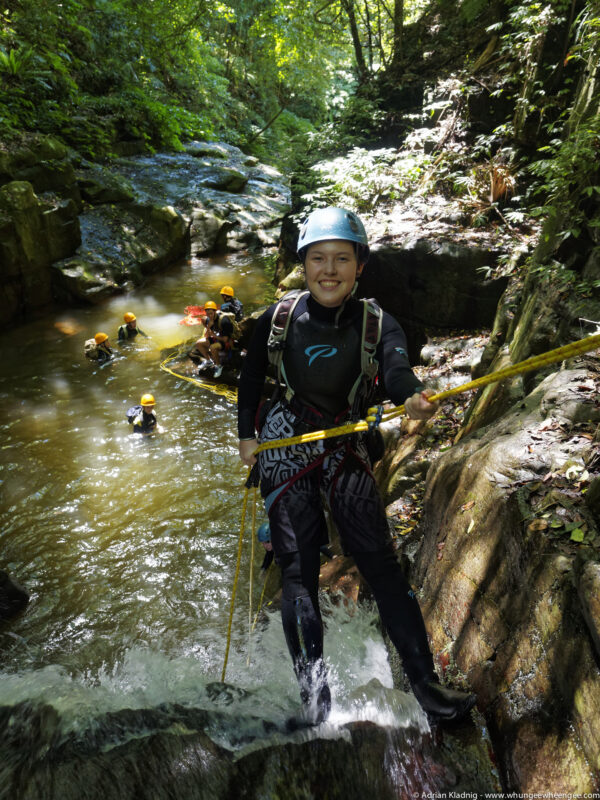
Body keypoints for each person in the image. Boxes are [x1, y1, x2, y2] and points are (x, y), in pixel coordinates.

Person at [237, 206, 476, 725]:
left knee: (379, 564)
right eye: (318, 259)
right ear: (303, 264)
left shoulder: (377, 323)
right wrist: (246, 439)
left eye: (341, 259)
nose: (329, 270)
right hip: (285, 443)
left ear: (359, 266)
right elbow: (251, 378)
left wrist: (412, 398)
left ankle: (426, 687)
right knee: (298, 570)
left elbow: (396, 370)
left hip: (345, 442)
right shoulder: (277, 321)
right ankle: (314, 701)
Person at [193, 301, 234, 378]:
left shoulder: (224, 320)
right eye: (207, 314)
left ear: (215, 311)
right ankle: (208, 361)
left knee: (212, 347)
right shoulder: (209, 320)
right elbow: (206, 336)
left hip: (227, 342)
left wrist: (214, 335)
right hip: (217, 338)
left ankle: (219, 366)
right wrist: (208, 326)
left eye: (211, 313)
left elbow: (225, 339)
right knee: (198, 343)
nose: (209, 316)